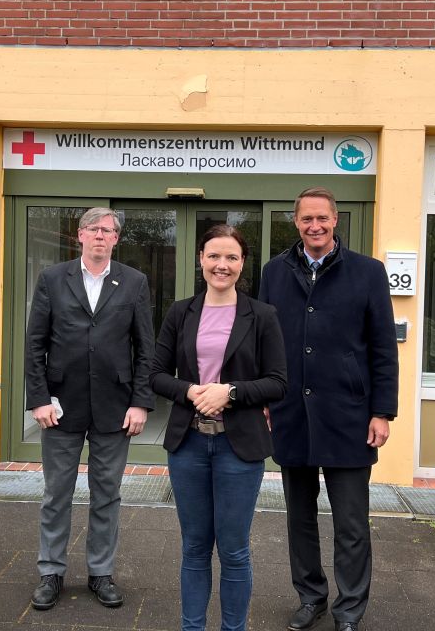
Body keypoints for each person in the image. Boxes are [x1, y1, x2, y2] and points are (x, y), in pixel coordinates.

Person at [258, 187, 399, 631]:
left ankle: (349, 609)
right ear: (295, 223)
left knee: (351, 523)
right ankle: (310, 597)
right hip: (291, 414)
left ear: (335, 220)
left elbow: (382, 347)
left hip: (351, 416)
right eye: (306, 220)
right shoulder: (273, 272)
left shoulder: (368, 273)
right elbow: (265, 341)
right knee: (299, 518)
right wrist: (265, 396)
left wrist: (383, 411)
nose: (314, 226)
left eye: (322, 218)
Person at [149, 224, 288, 631]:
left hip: (238, 449)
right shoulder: (181, 312)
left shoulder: (262, 315)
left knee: (234, 550)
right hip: (188, 445)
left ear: (242, 264)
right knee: (193, 547)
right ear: (201, 260)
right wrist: (192, 390)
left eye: (230, 257)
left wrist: (230, 392)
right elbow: (156, 375)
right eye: (213, 256)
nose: (221, 265)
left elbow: (278, 381)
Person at [24, 207, 155, 611]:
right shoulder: (52, 279)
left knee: (107, 494)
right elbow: (34, 345)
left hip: (115, 407)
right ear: (79, 235)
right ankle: (51, 571)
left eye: (108, 231)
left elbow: (145, 349)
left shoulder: (134, 282)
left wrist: (140, 402)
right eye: (93, 229)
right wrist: (39, 399)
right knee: (56, 493)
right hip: (61, 407)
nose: (100, 236)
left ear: (116, 239)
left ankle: (101, 573)